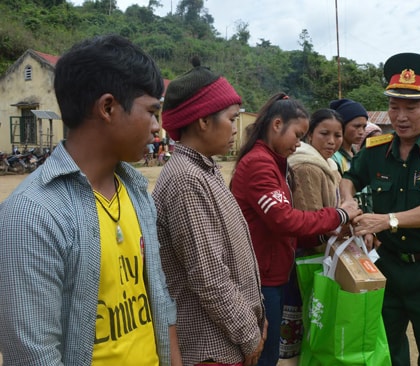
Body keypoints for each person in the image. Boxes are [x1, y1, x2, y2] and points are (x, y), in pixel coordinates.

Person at [0, 35, 181, 365]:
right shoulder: (33, 215)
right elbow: (33, 356)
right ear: (108, 107)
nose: (157, 127)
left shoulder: (137, 193)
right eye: (152, 111)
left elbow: (160, 300)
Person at [340, 52, 420, 366]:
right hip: (388, 267)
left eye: (411, 107)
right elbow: (350, 177)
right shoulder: (375, 149)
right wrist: (347, 200)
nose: (400, 116)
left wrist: (387, 220)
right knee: (387, 349)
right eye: (393, 106)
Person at [230, 93, 361, 366]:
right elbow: (285, 220)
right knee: (264, 353)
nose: (299, 143)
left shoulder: (274, 161)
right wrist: (338, 215)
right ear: (277, 124)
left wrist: (327, 231)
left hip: (273, 268)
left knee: (270, 348)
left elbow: (287, 225)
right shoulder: (260, 163)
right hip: (263, 275)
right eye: (299, 135)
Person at [152, 58, 267, 366]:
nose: (235, 129)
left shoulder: (205, 170)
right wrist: (249, 335)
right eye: (231, 118)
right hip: (213, 348)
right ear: (203, 121)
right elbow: (209, 276)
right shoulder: (186, 179)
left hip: (229, 339)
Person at [281, 108, 344, 360]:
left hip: (318, 255)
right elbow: (311, 223)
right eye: (324, 134)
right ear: (309, 135)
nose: (332, 141)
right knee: (301, 327)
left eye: (337, 135)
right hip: (307, 259)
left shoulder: (328, 164)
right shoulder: (308, 166)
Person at [329, 98, 368, 176]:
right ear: (342, 126)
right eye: (357, 126)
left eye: (364, 127)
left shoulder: (357, 155)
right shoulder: (333, 157)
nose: (361, 132)